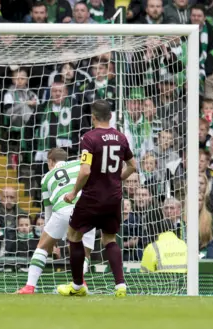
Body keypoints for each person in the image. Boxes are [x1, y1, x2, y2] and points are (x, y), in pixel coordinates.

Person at [59, 100, 137, 298]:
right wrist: (116, 179)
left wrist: (73, 192)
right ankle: (120, 285)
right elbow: (133, 166)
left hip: (93, 197)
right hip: (113, 198)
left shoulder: (89, 138)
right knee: (109, 239)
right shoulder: (121, 137)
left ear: (93, 117)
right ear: (110, 116)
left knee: (73, 235)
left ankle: (77, 286)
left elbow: (85, 171)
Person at [16, 148, 96, 294]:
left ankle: (29, 286)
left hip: (62, 209)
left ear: (50, 161)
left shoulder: (46, 177)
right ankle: (80, 282)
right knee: (84, 252)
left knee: (42, 247)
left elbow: (48, 211)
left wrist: (51, 238)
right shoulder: (79, 164)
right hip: (87, 209)